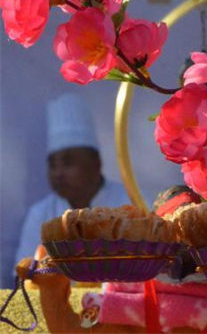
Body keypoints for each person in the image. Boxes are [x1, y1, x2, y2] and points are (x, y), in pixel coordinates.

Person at [14, 93, 130, 264]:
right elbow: (23, 274)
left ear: (96, 164)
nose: (58, 173)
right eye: (53, 165)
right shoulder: (40, 214)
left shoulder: (129, 203)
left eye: (68, 162)